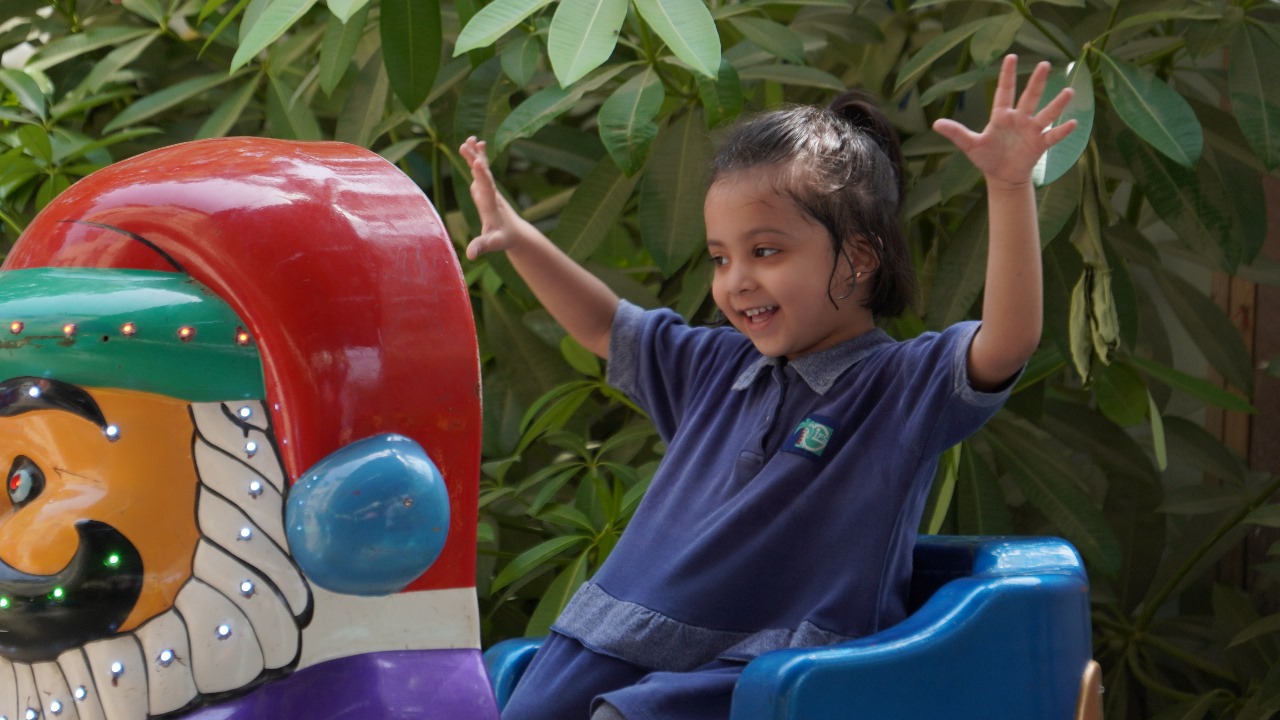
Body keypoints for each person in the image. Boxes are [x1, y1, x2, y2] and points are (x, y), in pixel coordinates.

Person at [461, 53, 1078, 720]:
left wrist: (1009, 189)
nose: (736, 282)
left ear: (858, 257)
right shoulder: (713, 366)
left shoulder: (899, 386)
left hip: (767, 667)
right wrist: (518, 238)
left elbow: (1008, 341)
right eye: (720, 258)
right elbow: (605, 325)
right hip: (617, 639)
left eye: (765, 252)